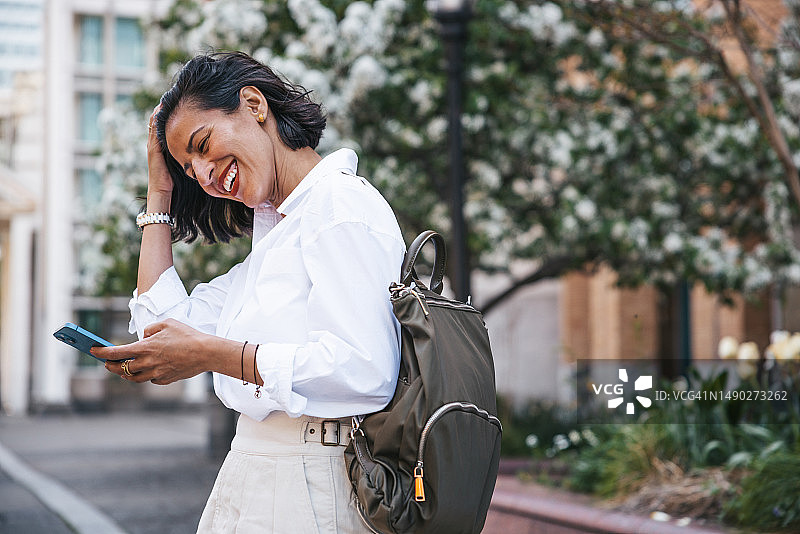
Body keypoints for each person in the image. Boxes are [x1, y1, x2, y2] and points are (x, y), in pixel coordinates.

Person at [92, 51, 405, 534]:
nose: (202, 174)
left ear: (254, 105)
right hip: (256, 471)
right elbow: (160, 327)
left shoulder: (339, 206)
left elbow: (365, 370)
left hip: (310, 482)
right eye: (188, 167)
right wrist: (159, 190)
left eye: (202, 144)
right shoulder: (275, 241)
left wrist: (212, 354)